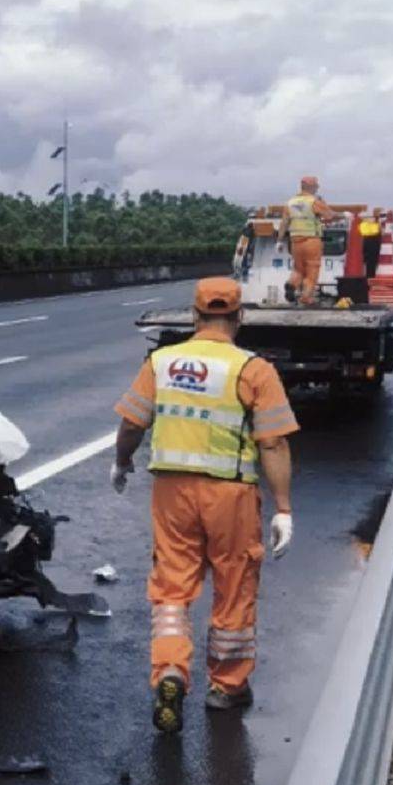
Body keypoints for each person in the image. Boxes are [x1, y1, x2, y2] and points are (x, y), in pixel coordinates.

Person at [110, 277, 298, 734]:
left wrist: (121, 463)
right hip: (230, 495)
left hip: (171, 493)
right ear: (239, 318)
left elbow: (133, 423)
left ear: (194, 316)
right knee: (234, 584)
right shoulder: (253, 369)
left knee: (172, 591)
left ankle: (171, 672)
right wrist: (283, 508)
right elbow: (272, 443)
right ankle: (226, 687)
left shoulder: (161, 361)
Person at [277, 176, 342, 306]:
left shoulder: (290, 203)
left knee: (298, 269)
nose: (317, 188)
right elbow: (329, 215)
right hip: (311, 241)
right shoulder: (314, 201)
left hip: (295, 242)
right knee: (312, 271)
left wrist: (279, 241)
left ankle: (291, 284)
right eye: (316, 186)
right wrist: (345, 215)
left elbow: (284, 223)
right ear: (310, 186)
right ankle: (306, 298)